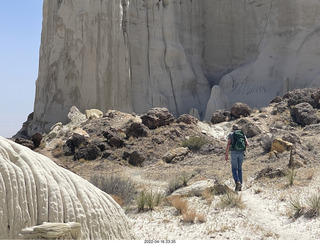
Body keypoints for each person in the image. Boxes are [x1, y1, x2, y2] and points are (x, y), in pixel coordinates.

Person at [225, 124, 249, 191]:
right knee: (239, 169)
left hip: (234, 153)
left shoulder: (231, 134)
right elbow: (247, 144)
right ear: (238, 128)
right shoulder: (242, 134)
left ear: (233, 129)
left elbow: (228, 144)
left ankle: (237, 181)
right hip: (241, 153)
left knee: (234, 169)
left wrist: (226, 154)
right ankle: (240, 184)